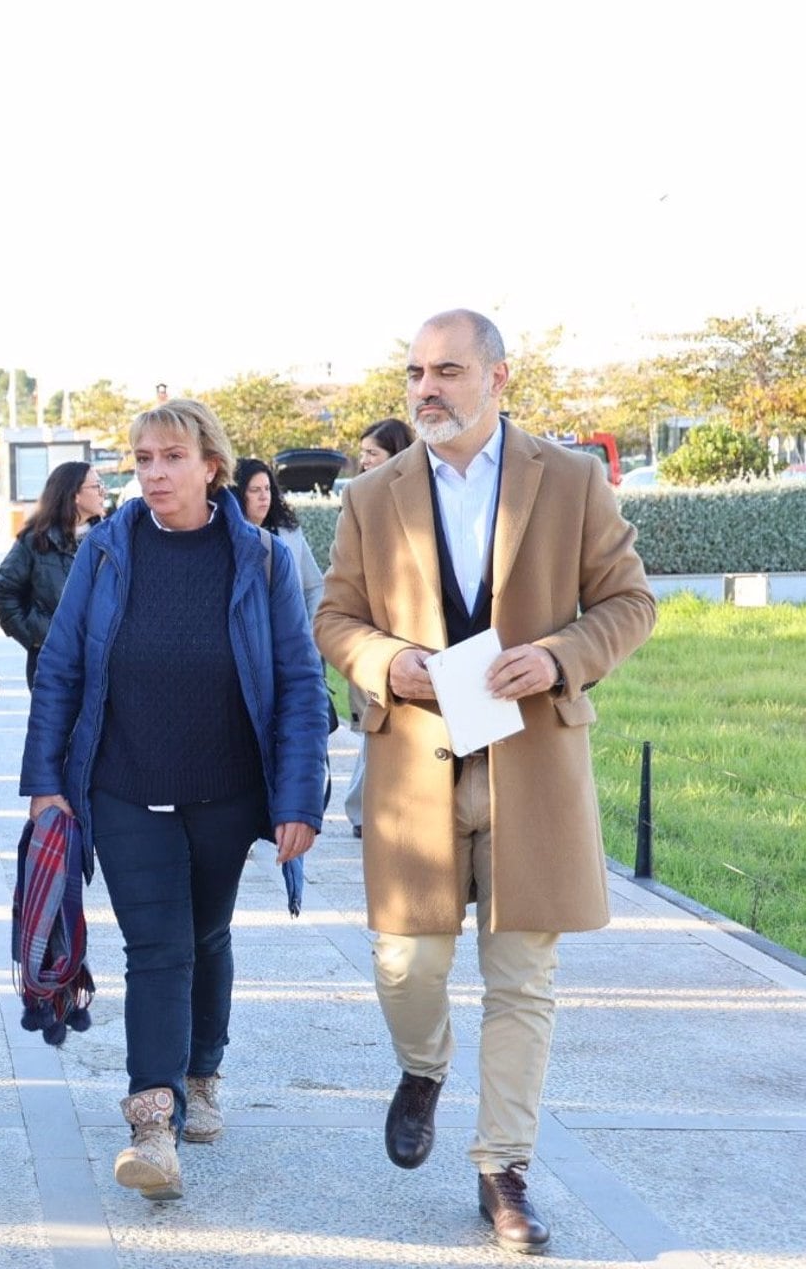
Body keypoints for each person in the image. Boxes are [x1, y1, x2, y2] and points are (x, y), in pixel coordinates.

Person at [315, 310, 655, 1255]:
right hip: (414, 769)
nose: (426, 387)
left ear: (499, 377)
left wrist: (560, 656)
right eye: (416, 371)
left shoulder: (572, 478)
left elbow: (631, 603)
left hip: (532, 769)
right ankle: (422, 1066)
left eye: (448, 370)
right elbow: (335, 617)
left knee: (524, 980)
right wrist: (387, 661)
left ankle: (503, 1169)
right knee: (405, 965)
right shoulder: (371, 495)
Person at [20, 400, 329, 1202]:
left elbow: (300, 682)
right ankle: (152, 1122)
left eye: (170, 457)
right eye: (141, 458)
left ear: (210, 467)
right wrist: (47, 785)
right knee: (157, 946)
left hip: (225, 790)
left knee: (208, 933)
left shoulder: (261, 559)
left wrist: (300, 797)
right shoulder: (106, 555)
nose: (152, 473)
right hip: (123, 785)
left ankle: (203, 1072)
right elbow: (60, 670)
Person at [344, 417, 416, 839]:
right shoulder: (360, 500)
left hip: (408, 631)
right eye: (364, 453)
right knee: (375, 721)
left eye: (374, 453)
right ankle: (362, 808)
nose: (365, 461)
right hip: (371, 637)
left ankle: (367, 807)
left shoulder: (414, 500)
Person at [0, 461, 106, 687]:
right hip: (52, 663)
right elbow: (4, 591)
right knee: (54, 722)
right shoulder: (35, 541)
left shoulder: (109, 537)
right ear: (75, 495)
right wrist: (35, 637)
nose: (103, 492)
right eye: (96, 486)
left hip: (101, 659)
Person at [232, 457, 324, 620]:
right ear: (238, 495)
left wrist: (310, 632)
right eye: (255, 490)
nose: (263, 496)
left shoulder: (289, 532)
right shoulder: (228, 538)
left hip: (293, 636)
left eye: (267, 489)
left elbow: (314, 586)